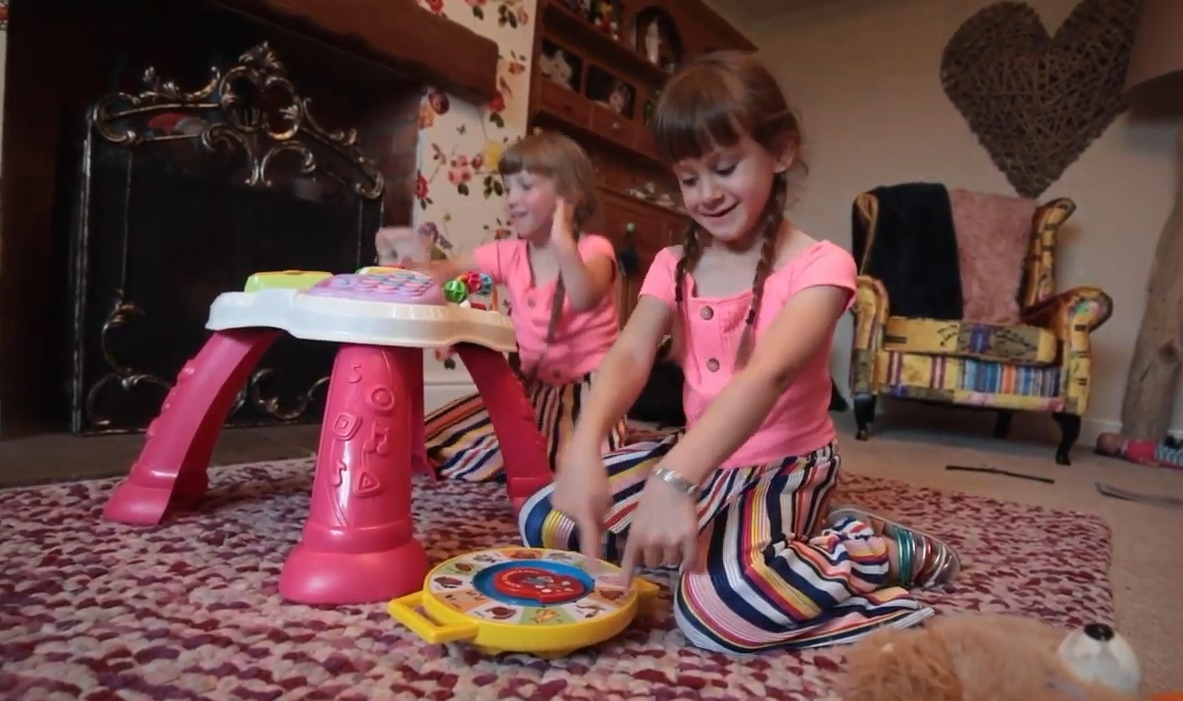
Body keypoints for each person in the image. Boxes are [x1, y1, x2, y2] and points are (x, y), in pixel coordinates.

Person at [517, 51, 961, 653]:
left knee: (715, 614)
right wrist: (583, 447)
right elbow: (629, 353)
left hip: (779, 466)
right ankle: (716, 540)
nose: (705, 194)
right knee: (546, 516)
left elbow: (768, 375)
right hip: (695, 458)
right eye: (688, 178)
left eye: (724, 168)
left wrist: (673, 480)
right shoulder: (674, 262)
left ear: (780, 152)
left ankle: (864, 546)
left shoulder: (822, 266)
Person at [375, 131, 627, 483]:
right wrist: (402, 259)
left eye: (526, 186)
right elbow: (445, 272)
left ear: (569, 195)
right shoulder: (510, 253)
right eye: (508, 189)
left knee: (563, 463)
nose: (511, 199)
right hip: (534, 389)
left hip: (590, 394)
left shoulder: (594, 249)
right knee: (439, 438)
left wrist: (563, 243)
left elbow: (584, 296)